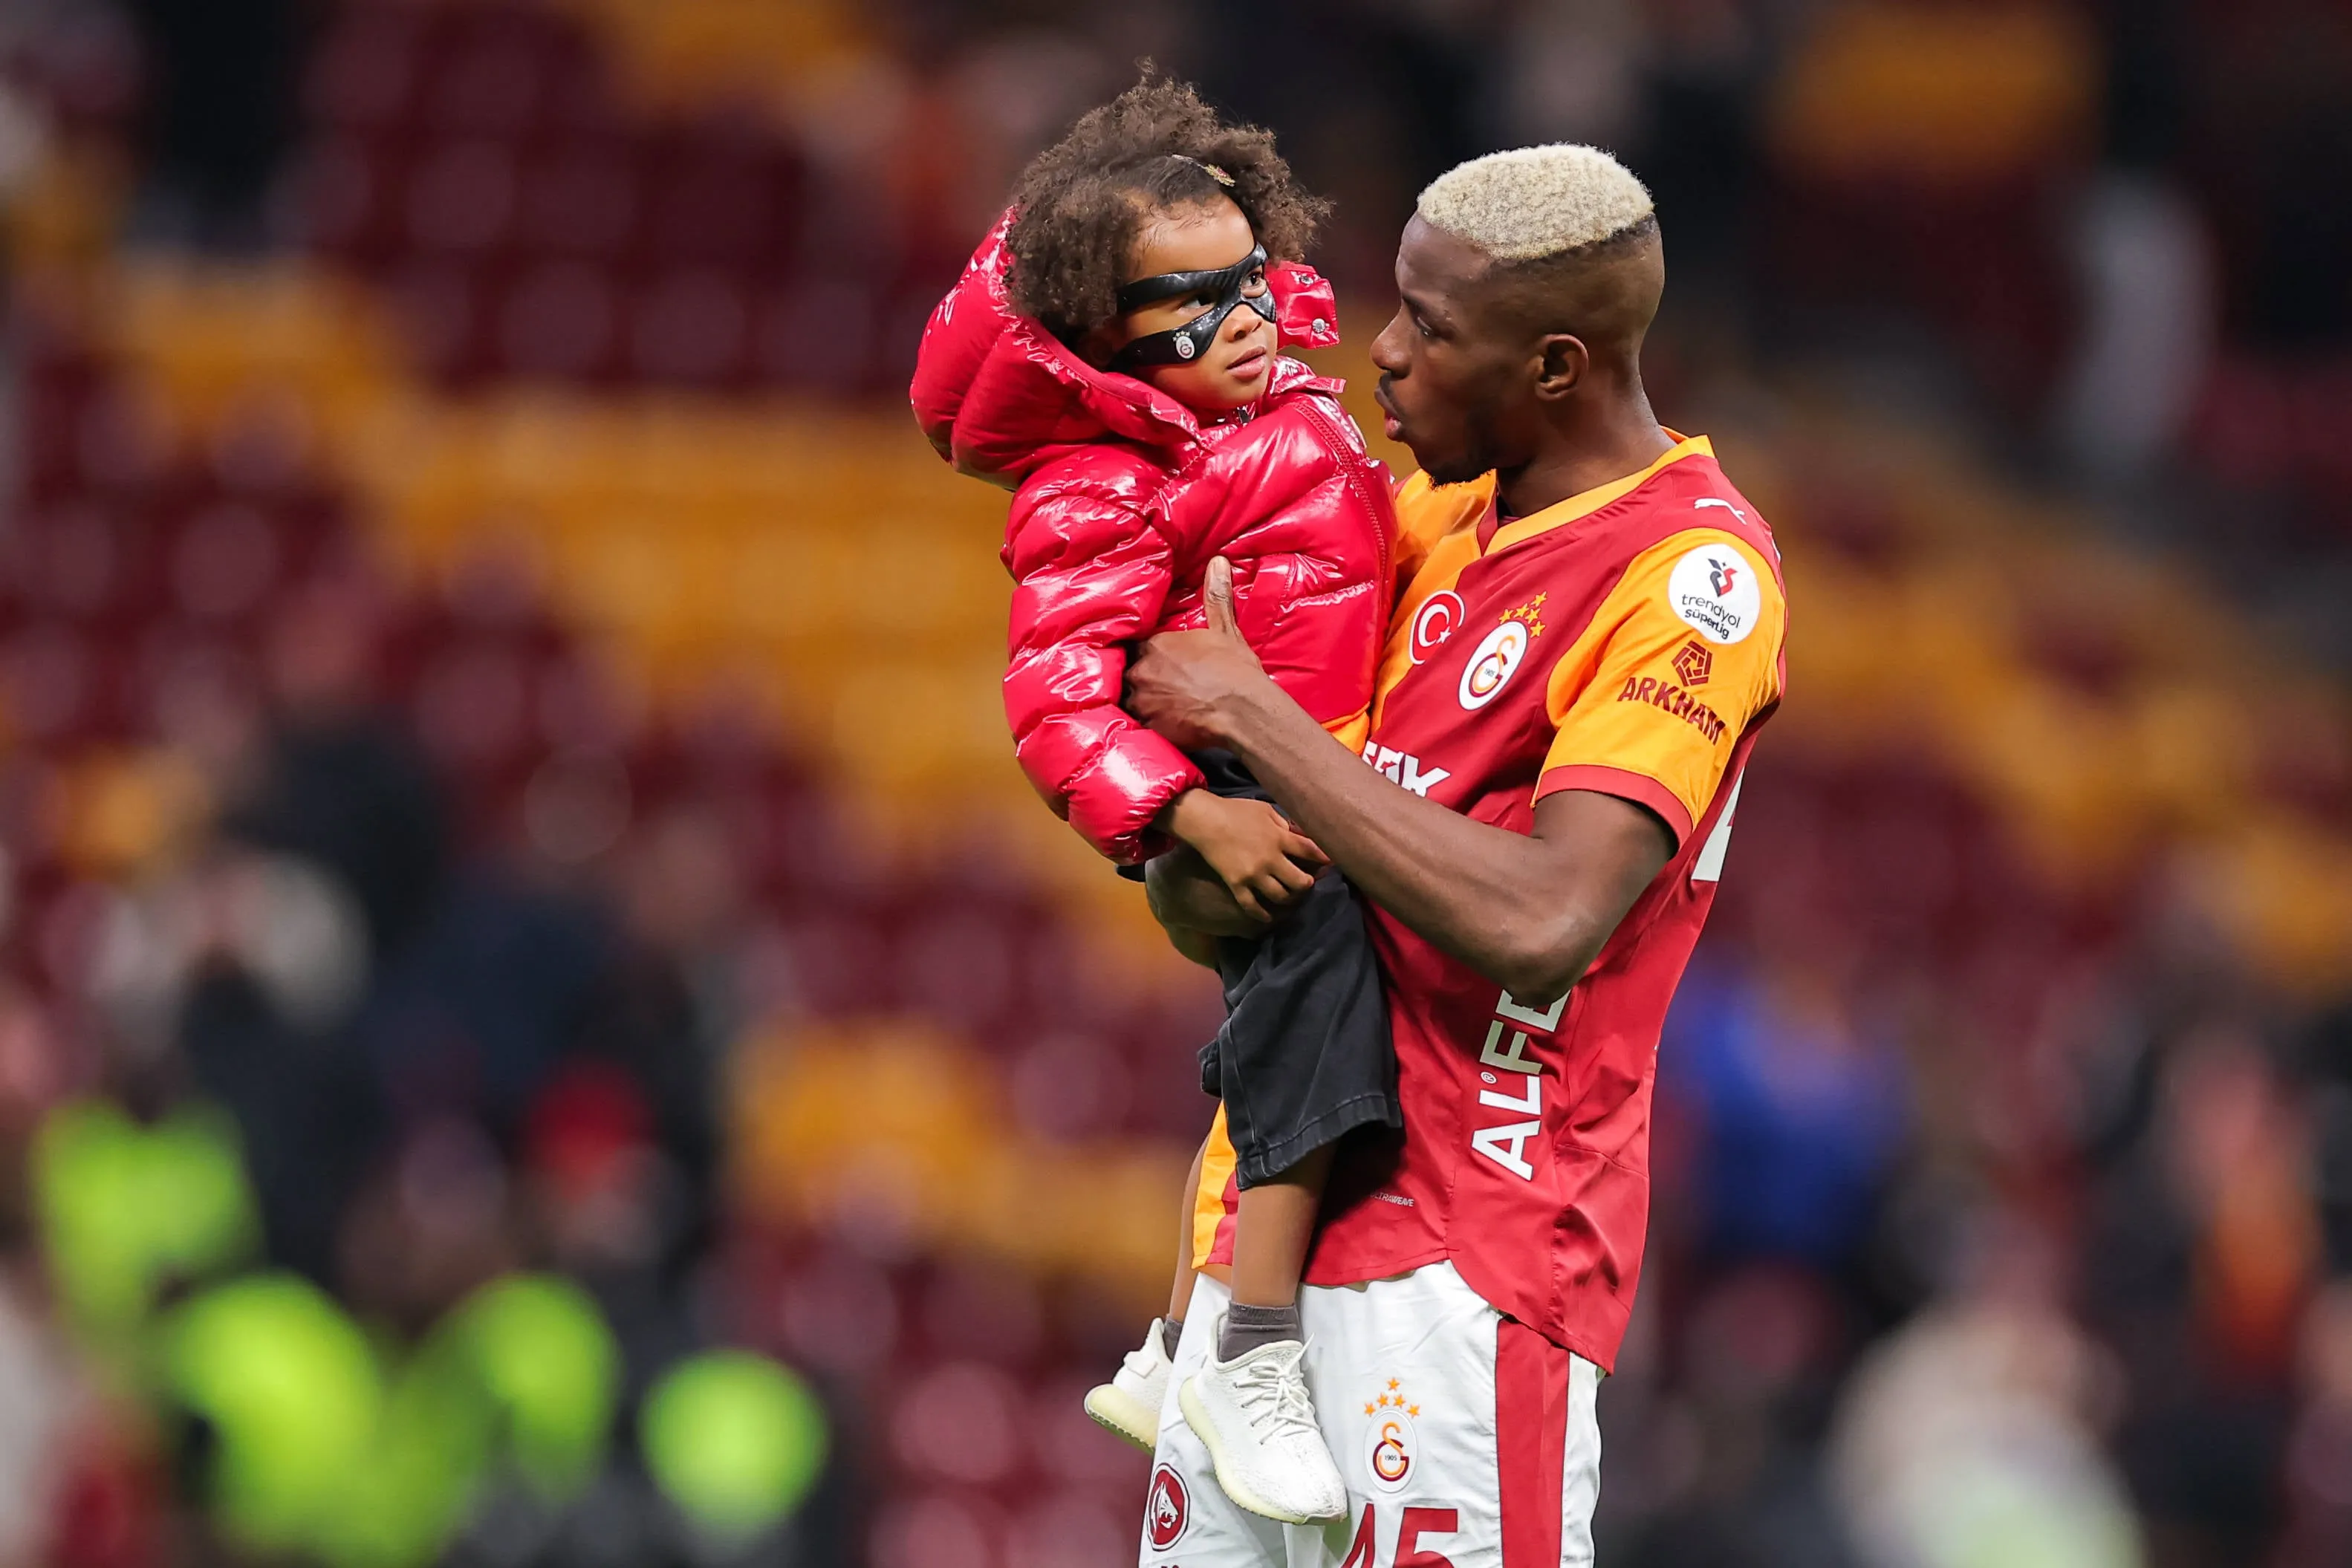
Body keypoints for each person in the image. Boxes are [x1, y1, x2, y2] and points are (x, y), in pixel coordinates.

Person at [1123, 143, 1790, 1565]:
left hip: (1465, 1262)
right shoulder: (1419, 520)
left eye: (1429, 326)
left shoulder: (1690, 578)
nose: (1384, 351)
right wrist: (1193, 849)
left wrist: (1250, 715)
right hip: (1256, 1253)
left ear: (1553, 365)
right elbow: (1223, 897)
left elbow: (1548, 919)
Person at [909, 79, 1401, 1523]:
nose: (1238, 316)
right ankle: (1250, 1347)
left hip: (1321, 750)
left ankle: (1173, 1337)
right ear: (1101, 330)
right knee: (1318, 1000)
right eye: (1187, 298)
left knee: (1282, 1040)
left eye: (1245, 277)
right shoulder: (1100, 478)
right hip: (1247, 782)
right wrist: (1190, 816)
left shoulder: (1275, 399)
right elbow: (1057, 701)